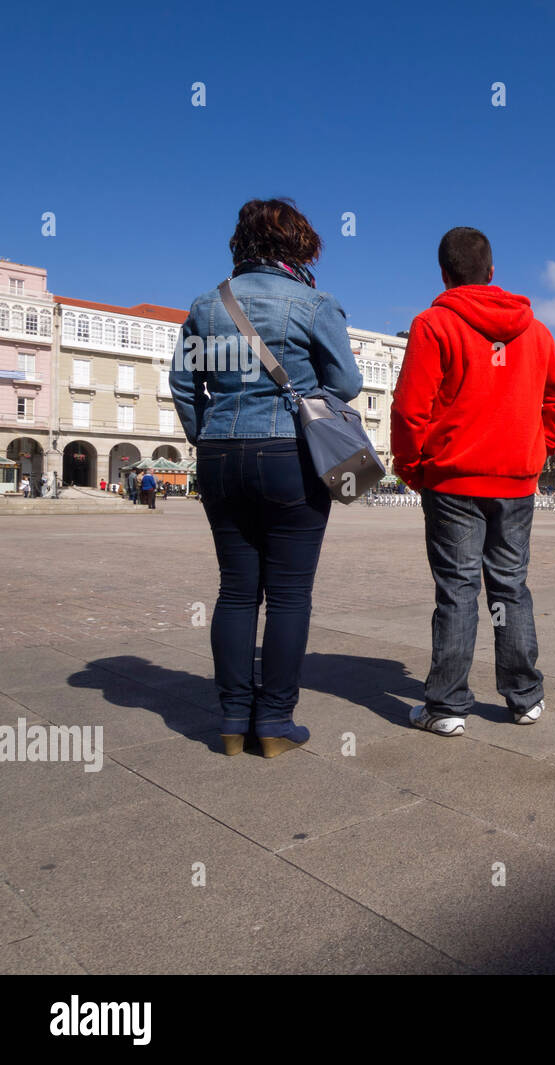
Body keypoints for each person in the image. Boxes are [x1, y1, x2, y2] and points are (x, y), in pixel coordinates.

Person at [171, 198, 362, 758]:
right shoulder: (314, 302)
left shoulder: (207, 306)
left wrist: (208, 435)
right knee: (287, 596)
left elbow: (184, 385)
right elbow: (347, 384)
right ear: (301, 246)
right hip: (289, 456)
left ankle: (232, 720)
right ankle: (275, 722)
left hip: (219, 457)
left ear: (241, 244)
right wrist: (304, 397)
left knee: (235, 592)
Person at [392, 226, 555, 737]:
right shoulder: (537, 332)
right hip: (516, 483)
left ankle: (448, 705)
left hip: (453, 481)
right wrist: (538, 447)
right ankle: (524, 697)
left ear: (446, 275)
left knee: (456, 590)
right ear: (492, 273)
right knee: (510, 587)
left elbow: (411, 409)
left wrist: (413, 467)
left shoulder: (433, 325)